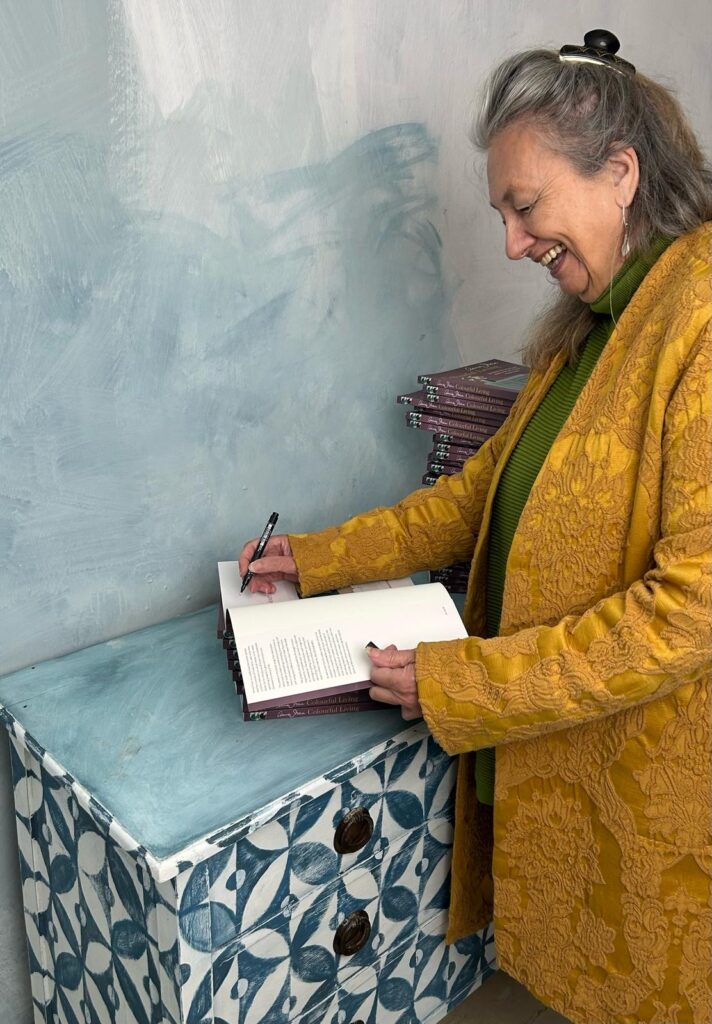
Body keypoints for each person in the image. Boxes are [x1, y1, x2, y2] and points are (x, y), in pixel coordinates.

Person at [239, 31, 712, 1024]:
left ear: (620, 173)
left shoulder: (699, 323)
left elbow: (685, 617)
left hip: (651, 793)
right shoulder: (590, 330)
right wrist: (317, 558)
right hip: (563, 768)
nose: (511, 244)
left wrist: (466, 684)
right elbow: (477, 496)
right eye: (502, 214)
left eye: (524, 206)